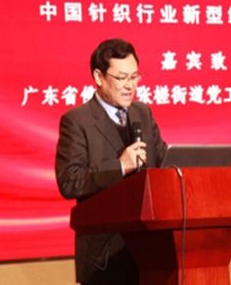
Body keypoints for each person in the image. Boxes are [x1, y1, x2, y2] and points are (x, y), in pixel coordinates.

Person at [55, 38, 167, 285]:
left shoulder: (142, 112)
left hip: (150, 251)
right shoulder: (77, 121)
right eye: (121, 78)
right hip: (105, 256)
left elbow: (162, 161)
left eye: (134, 77)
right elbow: (69, 181)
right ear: (99, 77)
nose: (130, 86)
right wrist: (120, 166)